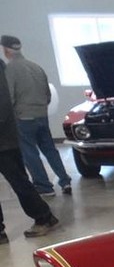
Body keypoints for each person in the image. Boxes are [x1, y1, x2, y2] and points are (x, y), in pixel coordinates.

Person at [1, 34, 72, 197]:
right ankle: (65, 181)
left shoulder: (9, 69)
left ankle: (44, 186)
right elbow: (47, 95)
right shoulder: (36, 66)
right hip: (41, 115)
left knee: (30, 152)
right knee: (50, 149)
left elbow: (9, 97)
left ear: (5, 50)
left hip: (23, 118)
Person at [0, 58, 60, 242]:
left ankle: (44, 217)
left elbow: (3, 102)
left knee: (19, 181)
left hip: (4, 140)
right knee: (19, 180)